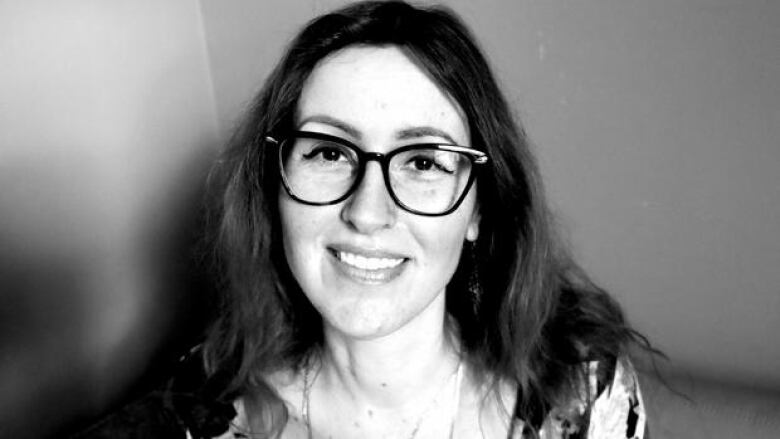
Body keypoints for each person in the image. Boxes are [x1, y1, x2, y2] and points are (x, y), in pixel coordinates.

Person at [75, 1, 651, 438]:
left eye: (423, 160)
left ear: (479, 209)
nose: (368, 213)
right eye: (329, 152)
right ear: (276, 188)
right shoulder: (200, 415)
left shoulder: (584, 393)